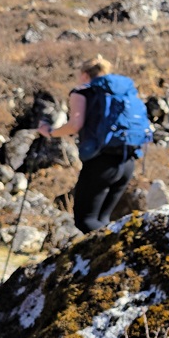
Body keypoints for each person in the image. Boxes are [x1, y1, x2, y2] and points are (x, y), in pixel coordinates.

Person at [37, 56, 136, 233]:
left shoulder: (82, 92)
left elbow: (75, 125)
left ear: (84, 75)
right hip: (127, 161)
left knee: (85, 220)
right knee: (103, 219)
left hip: (101, 163)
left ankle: (119, 255)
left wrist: (50, 132)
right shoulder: (120, 92)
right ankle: (114, 256)